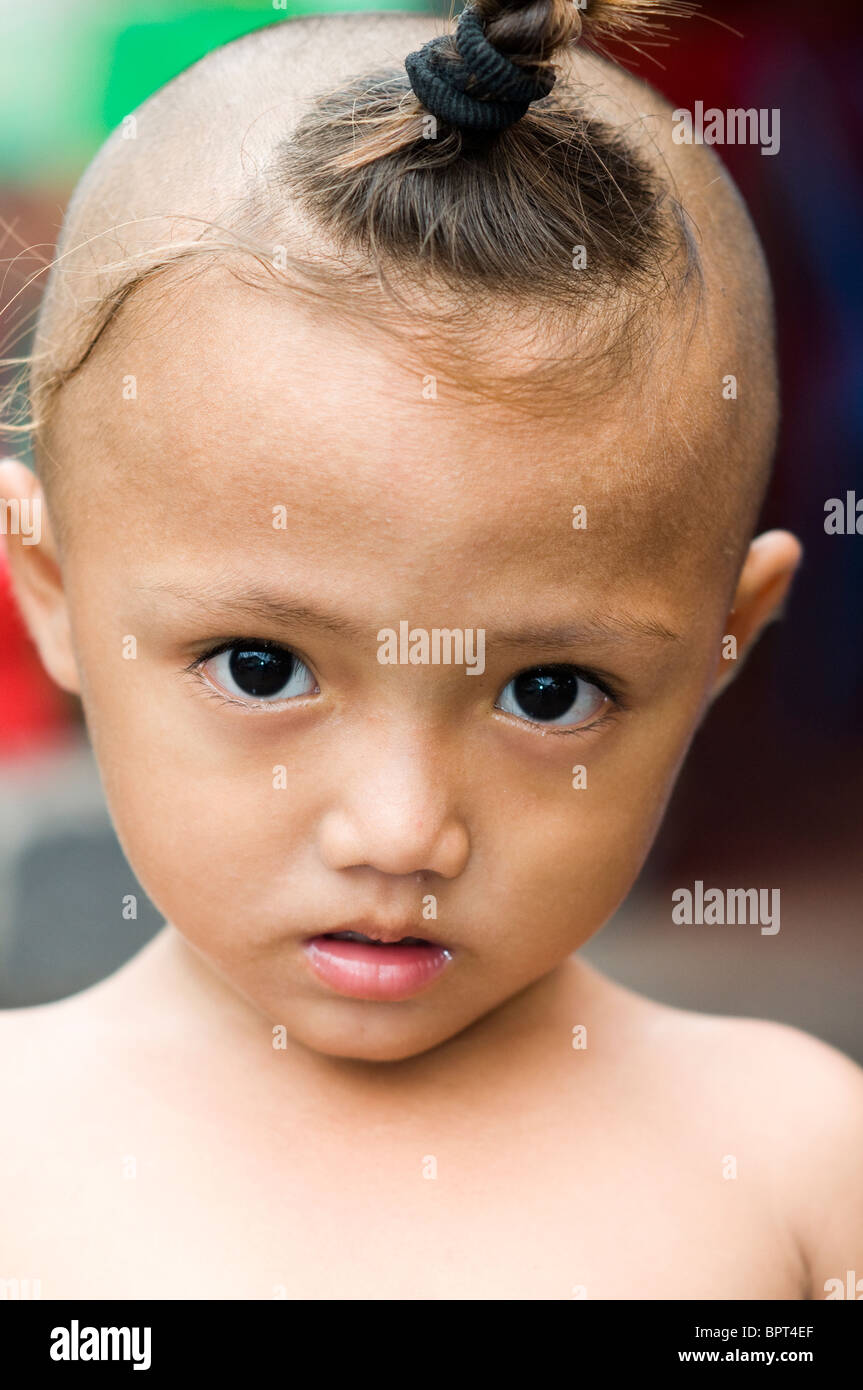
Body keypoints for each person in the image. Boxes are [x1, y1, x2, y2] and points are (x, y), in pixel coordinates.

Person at [1, 1, 860, 1299]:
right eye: (262, 667)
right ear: (50, 589)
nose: (402, 830)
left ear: (722, 646)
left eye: (550, 690)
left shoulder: (798, 1169)